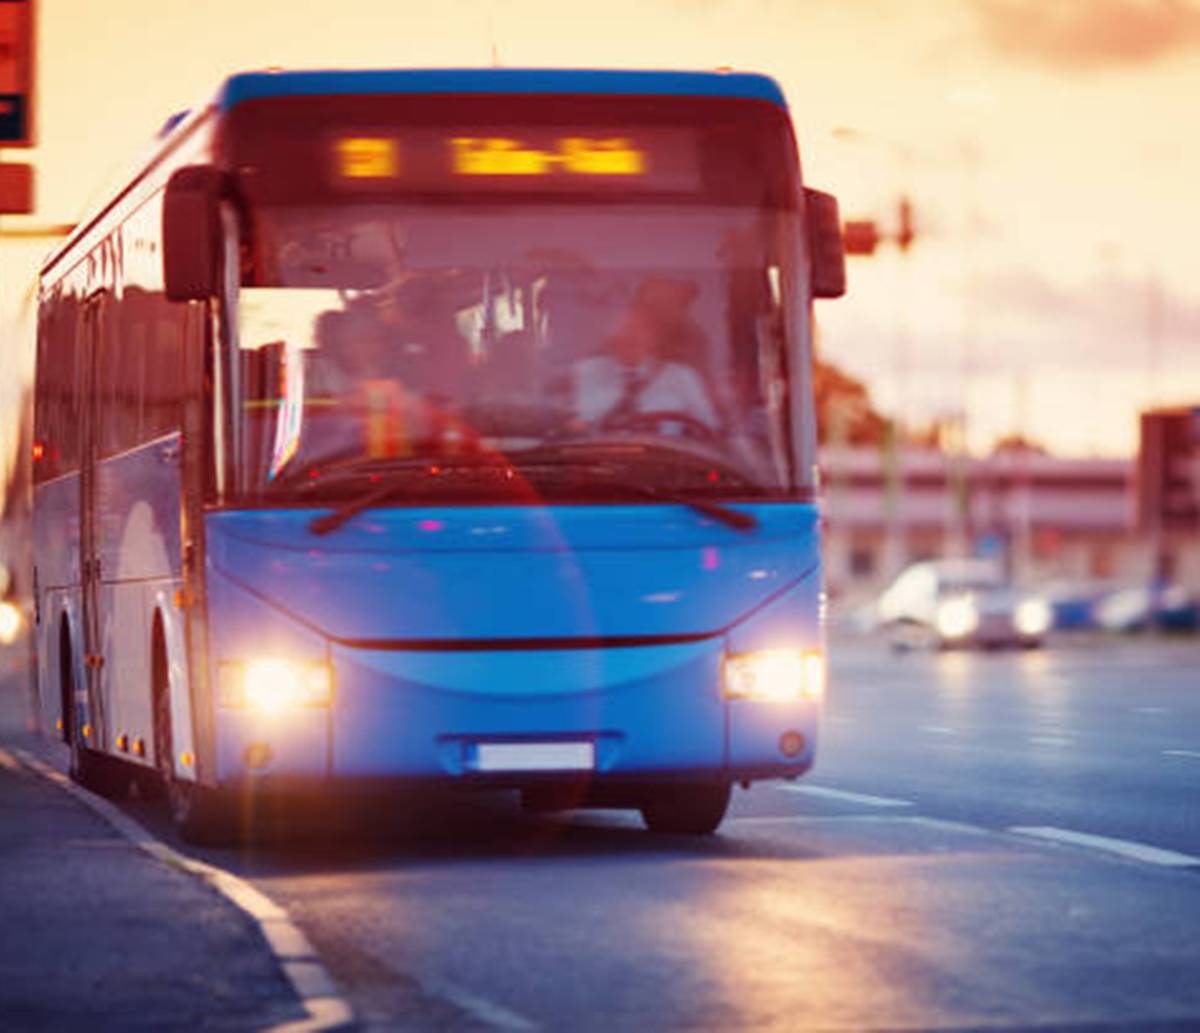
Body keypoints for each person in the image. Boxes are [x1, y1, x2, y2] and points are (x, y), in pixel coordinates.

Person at [569, 277, 719, 435]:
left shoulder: (682, 376)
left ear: (655, 337)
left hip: (665, 458)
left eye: (639, 331)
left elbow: (710, 431)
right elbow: (560, 427)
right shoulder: (583, 371)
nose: (631, 337)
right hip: (594, 457)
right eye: (624, 329)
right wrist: (572, 427)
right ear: (610, 336)